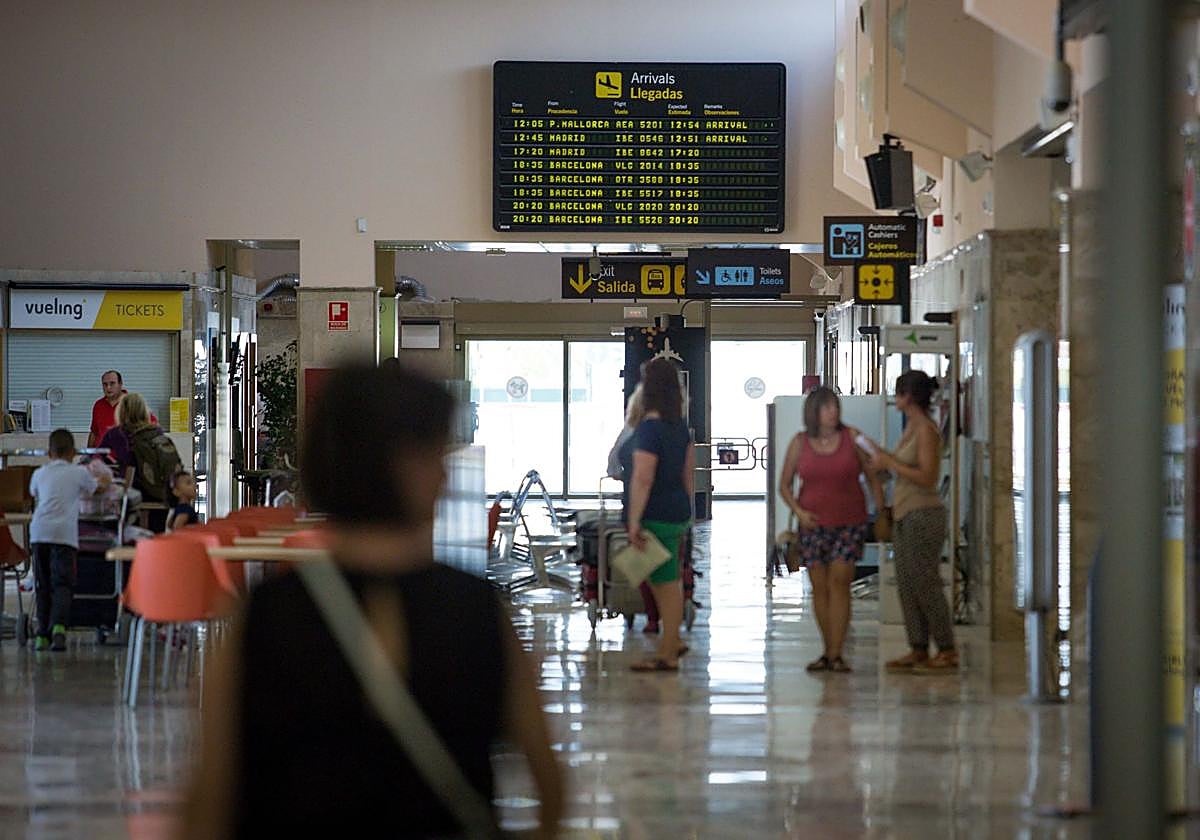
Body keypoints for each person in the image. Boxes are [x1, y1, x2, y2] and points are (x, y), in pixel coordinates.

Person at [182, 363, 563, 839]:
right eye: (435, 455)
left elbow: (209, 799)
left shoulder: (263, 617)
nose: (445, 477)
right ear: (398, 463)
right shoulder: (478, 611)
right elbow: (548, 782)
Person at [778, 387, 883, 674]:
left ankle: (836, 653)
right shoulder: (800, 443)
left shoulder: (852, 437)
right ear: (814, 412)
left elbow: (874, 471)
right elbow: (784, 485)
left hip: (849, 523)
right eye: (826, 407)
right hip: (813, 525)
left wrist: (882, 509)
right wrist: (799, 511)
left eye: (835, 406)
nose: (833, 412)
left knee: (840, 582)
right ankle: (828, 649)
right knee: (820, 587)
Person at [868, 370, 957, 673]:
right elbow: (901, 468)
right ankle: (917, 647)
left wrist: (890, 462)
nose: (895, 398)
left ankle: (946, 648)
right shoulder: (910, 429)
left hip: (924, 513)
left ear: (908, 396)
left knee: (925, 582)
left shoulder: (926, 431)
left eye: (898, 392)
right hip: (905, 513)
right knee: (906, 583)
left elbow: (928, 476)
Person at [625, 358, 694, 673]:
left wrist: (634, 519)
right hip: (677, 510)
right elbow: (688, 473)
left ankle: (667, 652)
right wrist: (689, 510)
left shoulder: (650, 428)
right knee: (670, 580)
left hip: (656, 513)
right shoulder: (680, 427)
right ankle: (673, 641)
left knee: (664, 584)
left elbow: (643, 477)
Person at [29, 429, 110, 651]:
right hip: (64, 535)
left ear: (49, 452)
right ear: (73, 453)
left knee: (42, 584)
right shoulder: (79, 473)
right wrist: (103, 480)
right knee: (62, 584)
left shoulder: (39, 473)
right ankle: (59, 629)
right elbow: (97, 489)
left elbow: (35, 493)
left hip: (39, 533)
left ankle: (41, 634)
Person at [607, 385, 661, 634]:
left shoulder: (629, 433)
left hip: (634, 506)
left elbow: (613, 467)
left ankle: (650, 614)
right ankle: (663, 613)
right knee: (668, 565)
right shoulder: (670, 430)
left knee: (642, 563)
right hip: (666, 505)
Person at [101, 393, 181, 527]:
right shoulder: (157, 432)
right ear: (144, 411)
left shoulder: (116, 434)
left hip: (132, 497)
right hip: (160, 495)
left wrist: (114, 466)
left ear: (121, 412)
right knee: (155, 536)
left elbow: (97, 457)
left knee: (130, 539)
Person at [88, 370, 157, 447]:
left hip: (125, 454)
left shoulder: (132, 403)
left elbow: (153, 426)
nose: (108, 387)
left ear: (120, 384)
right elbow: (94, 432)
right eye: (105, 384)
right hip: (101, 454)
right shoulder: (98, 405)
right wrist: (88, 455)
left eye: (112, 383)